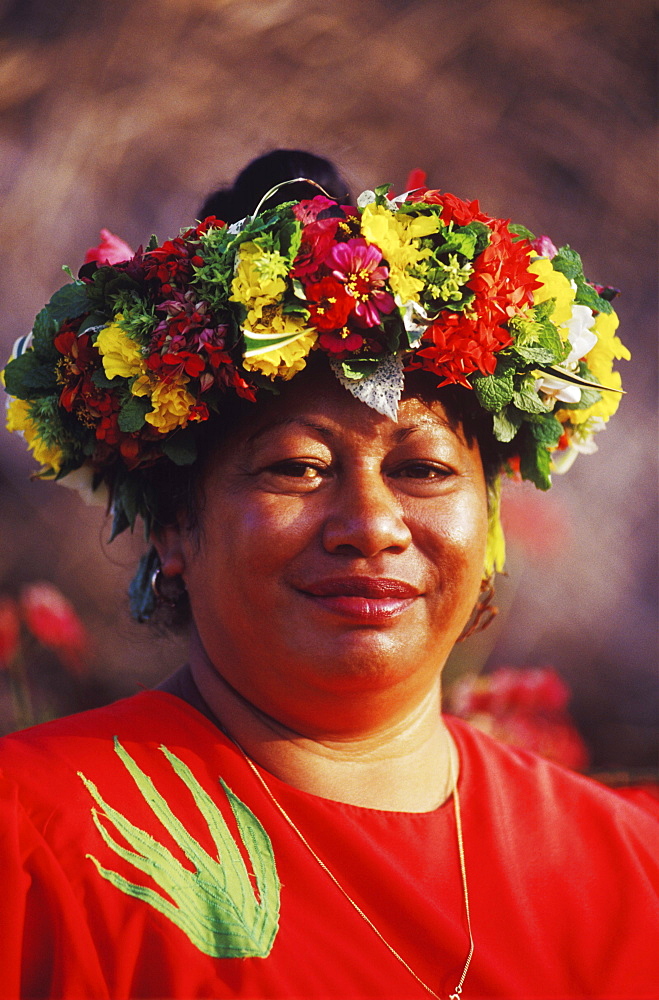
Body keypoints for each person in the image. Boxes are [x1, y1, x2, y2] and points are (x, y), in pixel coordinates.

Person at [1, 150, 656, 1000]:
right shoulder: (32, 838)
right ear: (172, 525)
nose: (370, 527)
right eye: (296, 469)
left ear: (488, 519)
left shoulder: (627, 872)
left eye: (422, 469)